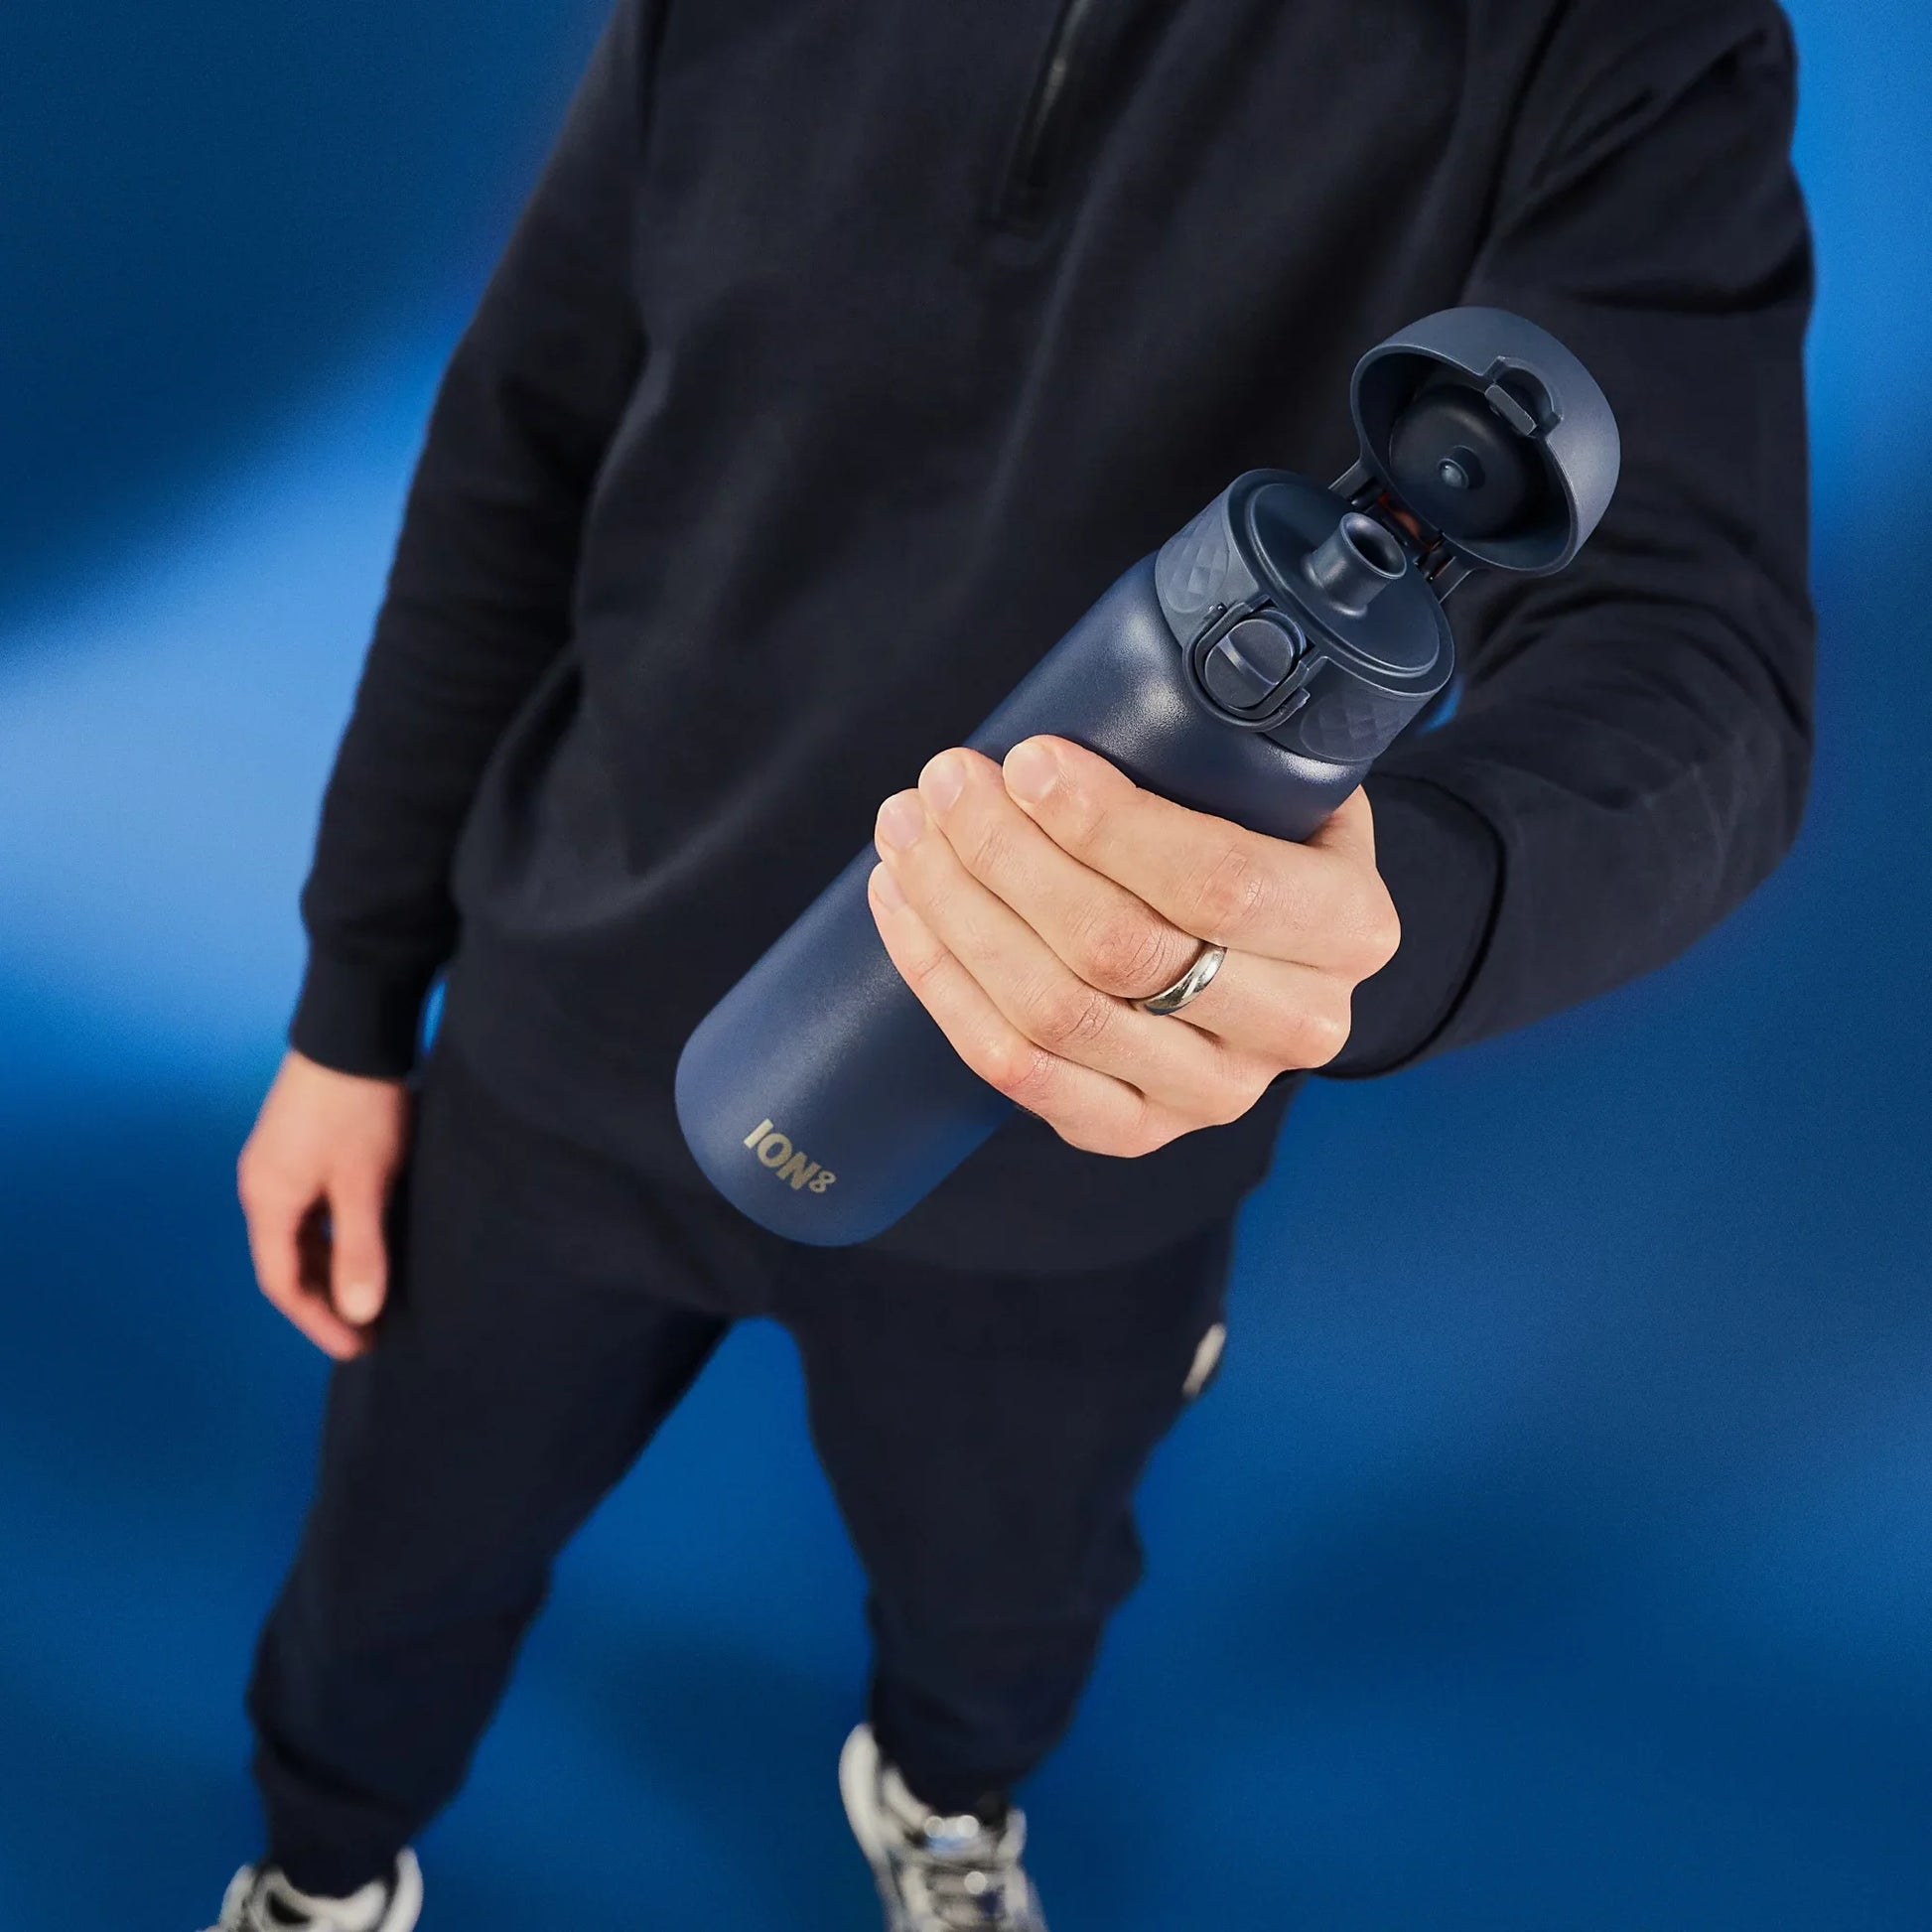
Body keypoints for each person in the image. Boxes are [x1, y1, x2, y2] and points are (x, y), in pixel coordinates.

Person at [205, 1, 1814, 1926]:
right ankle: (322, 1864)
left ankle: (946, 1804)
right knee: (390, 1571)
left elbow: (1696, 652)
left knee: (1006, 1614)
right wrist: (352, 1007)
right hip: (575, 1022)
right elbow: (513, 458)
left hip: (1079, 1132)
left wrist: (1404, 915)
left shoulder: (1610, 40)